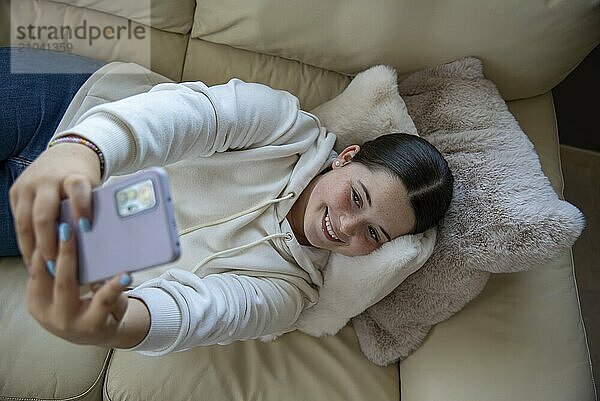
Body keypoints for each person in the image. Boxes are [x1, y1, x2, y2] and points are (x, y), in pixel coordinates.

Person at [1, 47, 454, 355]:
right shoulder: (282, 123)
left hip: (64, 228)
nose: (346, 226)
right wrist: (83, 150)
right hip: (71, 107)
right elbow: (189, 117)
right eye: (357, 198)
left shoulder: (289, 292)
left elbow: (204, 315)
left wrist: (114, 324)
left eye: (373, 233)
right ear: (346, 158)